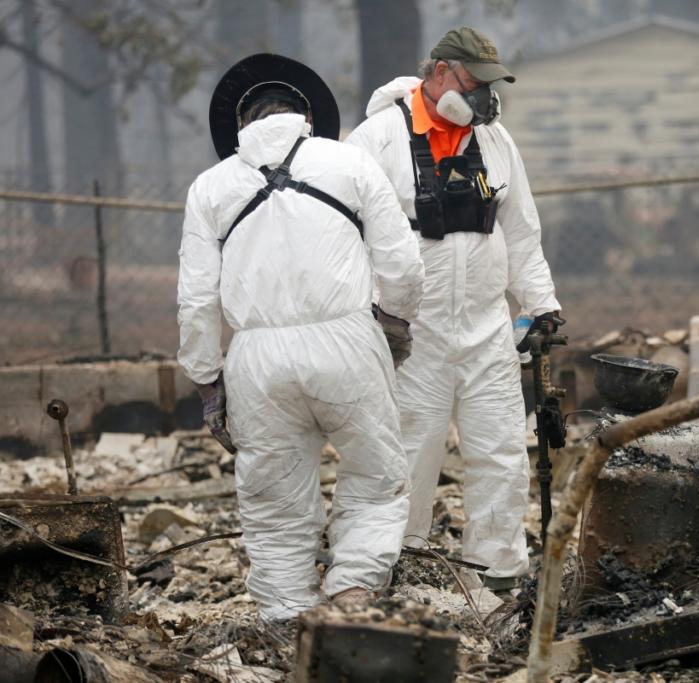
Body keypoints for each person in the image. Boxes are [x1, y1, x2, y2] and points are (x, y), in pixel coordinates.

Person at [177, 53, 424, 620]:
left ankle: (286, 621)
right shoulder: (350, 164)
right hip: (347, 339)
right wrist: (394, 323)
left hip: (256, 357)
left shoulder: (210, 187)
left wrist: (207, 382)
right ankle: (353, 591)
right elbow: (403, 266)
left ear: (239, 127)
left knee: (274, 500)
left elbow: (196, 300)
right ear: (308, 117)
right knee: (376, 474)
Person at [346, 27, 562, 588]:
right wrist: (364, 317)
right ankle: (404, 567)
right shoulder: (376, 142)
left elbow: (520, 232)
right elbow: (346, 241)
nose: (484, 96)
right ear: (439, 73)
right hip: (411, 333)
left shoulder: (495, 141)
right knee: (409, 456)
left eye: (490, 85)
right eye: (474, 82)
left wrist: (540, 303)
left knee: (501, 453)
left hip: (488, 328)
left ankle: (498, 575)